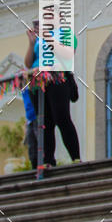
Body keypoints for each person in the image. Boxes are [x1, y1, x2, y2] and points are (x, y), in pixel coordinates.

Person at [24, 18, 81, 168]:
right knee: (44, 123)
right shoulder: (38, 41)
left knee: (62, 118)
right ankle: (49, 160)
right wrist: (31, 43)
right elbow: (29, 63)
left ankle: (75, 157)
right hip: (38, 82)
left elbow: (68, 54)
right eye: (35, 23)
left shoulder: (64, 33)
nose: (36, 25)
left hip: (57, 78)